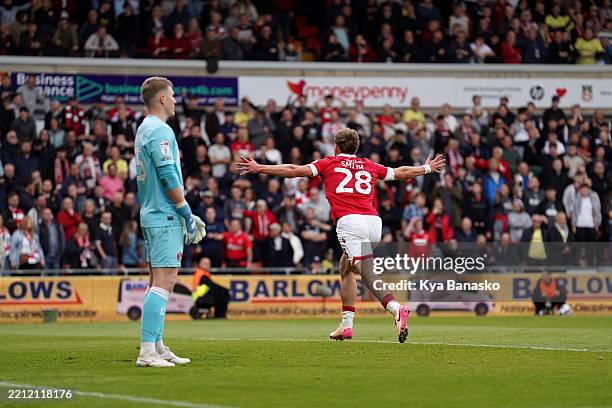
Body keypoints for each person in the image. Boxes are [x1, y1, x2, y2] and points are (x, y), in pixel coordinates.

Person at [236, 128, 445, 343]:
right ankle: (346, 325)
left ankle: (395, 308)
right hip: (373, 223)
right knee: (345, 267)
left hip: (350, 222)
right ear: (356, 148)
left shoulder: (329, 163)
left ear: (336, 147)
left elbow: (293, 169)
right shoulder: (368, 165)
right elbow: (401, 173)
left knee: (365, 271)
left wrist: (259, 167)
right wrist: (427, 168)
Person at [134, 77, 206, 368]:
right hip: (164, 215)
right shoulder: (159, 130)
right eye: (172, 95)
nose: (176, 100)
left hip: (152, 213)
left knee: (156, 281)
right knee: (165, 282)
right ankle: (147, 352)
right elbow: (168, 175)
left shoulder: (143, 129)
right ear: (162, 98)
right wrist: (185, 211)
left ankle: (157, 345)